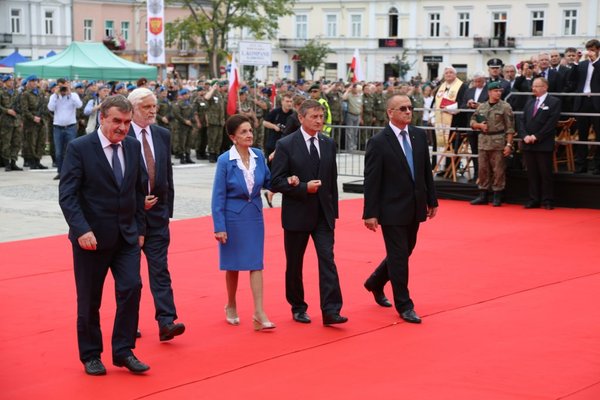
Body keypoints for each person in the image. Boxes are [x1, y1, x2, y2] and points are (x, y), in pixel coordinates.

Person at [58, 95, 150, 375]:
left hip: (126, 238)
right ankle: (90, 355)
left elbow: (138, 189)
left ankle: (123, 350)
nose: (122, 128)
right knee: (89, 299)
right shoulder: (79, 148)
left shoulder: (133, 147)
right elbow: (68, 195)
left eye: (126, 122)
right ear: (102, 118)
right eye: (116, 122)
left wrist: (140, 229)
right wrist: (81, 229)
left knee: (131, 288)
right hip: (91, 240)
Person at [270, 99, 347, 326]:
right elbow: (276, 181)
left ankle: (331, 310)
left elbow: (331, 181)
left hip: (323, 214)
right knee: (295, 264)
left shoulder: (328, 143)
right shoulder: (286, 144)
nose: (319, 121)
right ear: (301, 118)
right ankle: (298, 305)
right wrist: (303, 187)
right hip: (297, 214)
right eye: (314, 116)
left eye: (321, 117)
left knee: (327, 260)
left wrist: (333, 213)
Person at [362, 94, 438, 324]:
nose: (408, 111)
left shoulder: (418, 135)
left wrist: (432, 199)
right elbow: (372, 179)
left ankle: (375, 282)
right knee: (399, 257)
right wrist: (370, 212)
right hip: (391, 208)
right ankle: (404, 304)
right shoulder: (378, 141)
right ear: (390, 112)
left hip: (415, 205)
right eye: (402, 108)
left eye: (410, 107)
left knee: (405, 251)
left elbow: (426, 169)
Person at [127, 88, 186, 341]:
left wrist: (166, 209)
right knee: (130, 277)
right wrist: (138, 203)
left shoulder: (162, 134)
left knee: (160, 269)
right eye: (147, 107)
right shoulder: (122, 134)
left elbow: (167, 174)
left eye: (154, 107)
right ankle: (128, 324)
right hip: (129, 218)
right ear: (132, 109)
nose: (152, 111)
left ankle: (166, 321)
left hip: (158, 217)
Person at [211, 114, 276, 331]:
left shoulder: (258, 155)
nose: (249, 135)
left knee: (256, 263)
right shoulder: (224, 161)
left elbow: (268, 181)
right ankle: (231, 304)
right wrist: (219, 226)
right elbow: (218, 196)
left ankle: (259, 312)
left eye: (250, 131)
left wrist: (285, 178)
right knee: (234, 265)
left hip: (254, 216)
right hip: (232, 217)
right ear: (233, 137)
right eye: (244, 132)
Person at [469, 81, 516, 207]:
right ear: (489, 92)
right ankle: (483, 195)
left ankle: (497, 195)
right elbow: (472, 120)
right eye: (496, 91)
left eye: (500, 91)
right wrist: (478, 125)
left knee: (498, 170)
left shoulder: (505, 107)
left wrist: (509, 145)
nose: (498, 93)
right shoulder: (482, 106)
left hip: (498, 141)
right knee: (482, 169)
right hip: (483, 141)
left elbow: (510, 128)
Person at [519, 78, 562, 210]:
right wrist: (524, 135)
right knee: (532, 173)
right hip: (528, 143)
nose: (534, 89)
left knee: (545, 173)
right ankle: (534, 199)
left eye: (537, 86)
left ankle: (547, 200)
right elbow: (522, 120)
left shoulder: (554, 102)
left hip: (543, 143)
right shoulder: (530, 102)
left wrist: (537, 136)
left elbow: (551, 123)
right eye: (533, 86)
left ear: (545, 87)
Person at [567, 39, 600, 174]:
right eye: (589, 49)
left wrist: (595, 61)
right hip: (582, 102)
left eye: (593, 50)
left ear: (598, 50)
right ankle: (581, 165)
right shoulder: (582, 64)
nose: (590, 52)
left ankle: (598, 166)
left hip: (597, 102)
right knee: (582, 135)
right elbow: (571, 80)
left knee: (599, 136)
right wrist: (576, 61)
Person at [48, 78, 83, 180]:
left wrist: (69, 93)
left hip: (70, 127)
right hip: (58, 127)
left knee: (70, 151)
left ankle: (70, 172)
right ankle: (60, 172)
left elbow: (79, 105)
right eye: (61, 86)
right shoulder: (54, 96)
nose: (63, 88)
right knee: (58, 152)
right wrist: (56, 95)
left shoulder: (73, 96)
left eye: (64, 85)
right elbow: (51, 108)